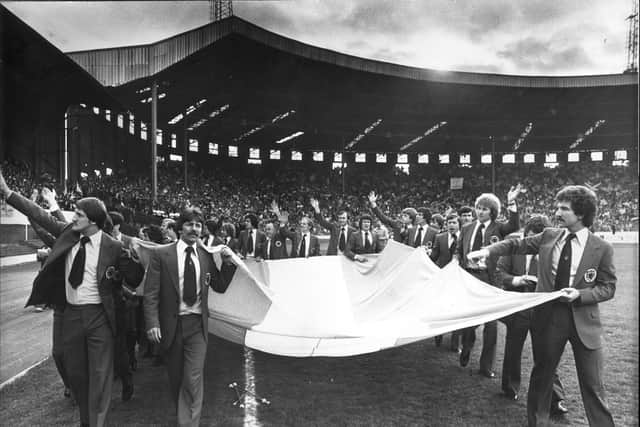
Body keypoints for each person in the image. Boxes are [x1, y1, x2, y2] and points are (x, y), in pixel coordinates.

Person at [0, 170, 144, 427]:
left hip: (100, 316)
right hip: (71, 316)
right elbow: (38, 213)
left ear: (93, 221)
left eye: (78, 214)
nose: (73, 216)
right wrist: (9, 194)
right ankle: (87, 420)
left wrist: (131, 261)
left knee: (100, 376)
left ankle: (94, 423)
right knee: (77, 375)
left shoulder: (114, 247)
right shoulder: (67, 233)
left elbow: (135, 277)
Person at [468, 185, 616, 426]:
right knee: (541, 378)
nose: (557, 212)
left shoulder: (602, 248)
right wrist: (487, 250)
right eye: (558, 207)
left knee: (593, 386)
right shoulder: (549, 235)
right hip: (548, 317)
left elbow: (608, 287)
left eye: (564, 208)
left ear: (580, 214)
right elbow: (516, 245)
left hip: (584, 321)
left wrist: (580, 294)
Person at [144, 207, 236, 427]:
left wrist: (229, 263)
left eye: (198, 225)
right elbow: (151, 293)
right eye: (189, 224)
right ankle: (183, 416)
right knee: (176, 379)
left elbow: (220, 285)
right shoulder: (162, 254)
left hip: (197, 326)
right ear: (180, 227)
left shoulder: (205, 255)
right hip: (171, 326)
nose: (194, 229)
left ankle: (188, 424)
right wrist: (152, 323)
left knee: (192, 378)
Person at [496, 215, 567, 416]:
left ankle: (556, 399)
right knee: (513, 349)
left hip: (544, 308)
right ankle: (510, 388)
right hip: (519, 307)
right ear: (526, 236)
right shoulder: (515, 248)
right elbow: (499, 272)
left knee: (546, 353)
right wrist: (517, 280)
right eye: (531, 238)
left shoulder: (555, 249)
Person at [456, 185, 523, 377]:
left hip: (489, 278)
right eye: (479, 207)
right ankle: (467, 346)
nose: (480, 211)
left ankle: (486, 366)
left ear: (492, 211)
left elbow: (514, 225)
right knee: (469, 320)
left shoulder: (499, 228)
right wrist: (455, 261)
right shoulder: (467, 227)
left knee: (491, 324)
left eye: (485, 208)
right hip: (469, 276)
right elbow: (460, 250)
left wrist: (511, 202)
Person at [430, 213, 461, 351]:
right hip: (442, 277)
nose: (451, 225)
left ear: (459, 224)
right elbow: (434, 256)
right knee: (441, 306)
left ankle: (455, 342)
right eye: (449, 223)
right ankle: (438, 333)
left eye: (454, 223)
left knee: (457, 309)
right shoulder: (440, 237)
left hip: (459, 278)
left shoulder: (465, 237)